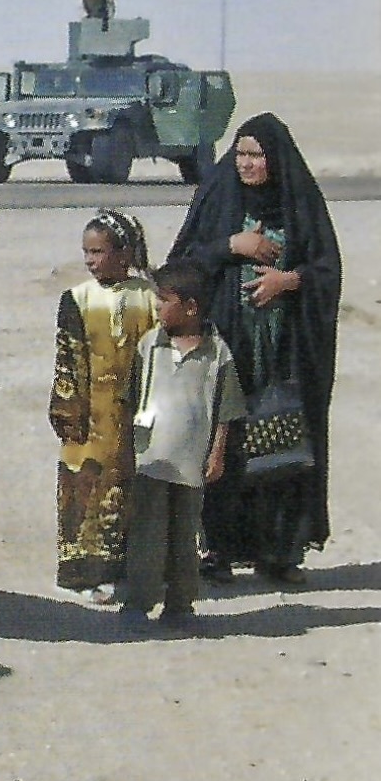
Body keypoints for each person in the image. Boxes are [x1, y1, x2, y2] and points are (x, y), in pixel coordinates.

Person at [167, 113, 341, 585]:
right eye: (240, 153)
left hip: (285, 357)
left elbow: (328, 270)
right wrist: (232, 245)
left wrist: (291, 280)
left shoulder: (299, 204)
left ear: (276, 159)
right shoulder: (218, 198)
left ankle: (279, 551)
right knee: (222, 447)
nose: (245, 163)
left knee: (281, 447)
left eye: (256, 155)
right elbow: (180, 267)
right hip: (227, 354)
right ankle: (217, 549)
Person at [120, 260, 246, 630]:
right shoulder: (150, 345)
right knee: (147, 533)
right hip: (151, 458)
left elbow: (226, 410)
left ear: (190, 307)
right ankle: (139, 602)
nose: (157, 307)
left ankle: (180, 605)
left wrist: (217, 453)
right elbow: (131, 398)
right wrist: (125, 450)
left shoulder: (217, 353)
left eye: (164, 301)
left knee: (184, 536)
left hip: (192, 463)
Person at [48, 209, 159, 602]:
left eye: (98, 252)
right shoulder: (77, 299)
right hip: (89, 418)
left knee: (133, 488)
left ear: (124, 254)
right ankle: (86, 569)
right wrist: (67, 410)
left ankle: (130, 570)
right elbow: (68, 359)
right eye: (86, 252)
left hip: (137, 415)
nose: (90, 261)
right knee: (86, 486)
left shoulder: (151, 298)